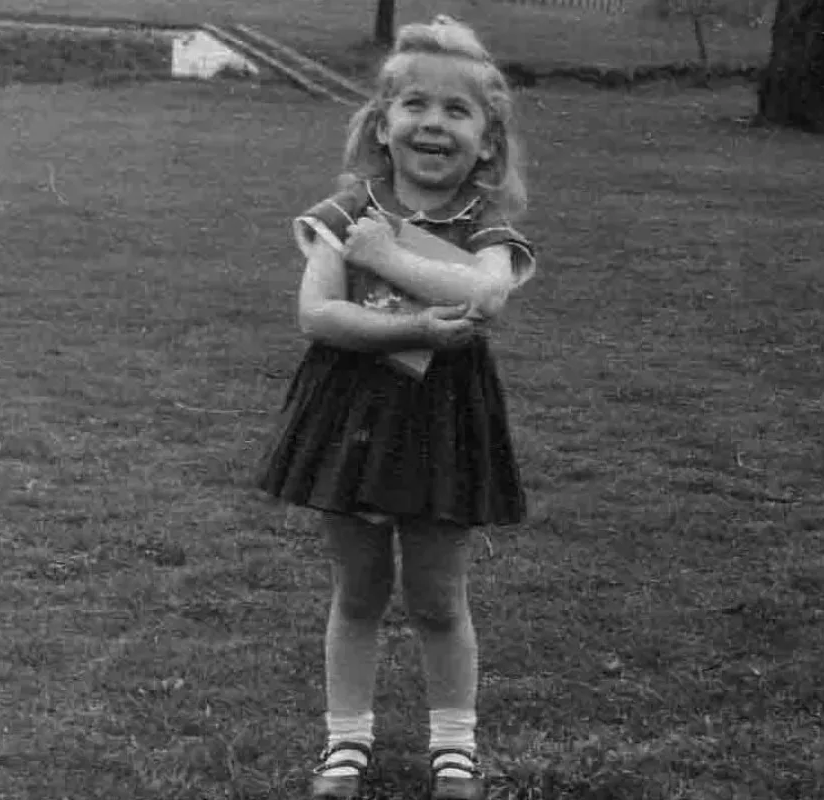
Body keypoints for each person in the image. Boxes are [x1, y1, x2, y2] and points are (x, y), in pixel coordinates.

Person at [256, 15, 536, 800]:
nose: (434, 124)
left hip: (445, 420)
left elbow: (487, 294)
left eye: (458, 111)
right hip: (350, 414)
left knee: (439, 598)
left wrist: (387, 260)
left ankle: (455, 749)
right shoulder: (344, 213)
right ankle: (345, 745)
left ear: (487, 140)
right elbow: (317, 316)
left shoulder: (486, 225)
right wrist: (410, 323)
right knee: (359, 592)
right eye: (415, 105)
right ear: (382, 124)